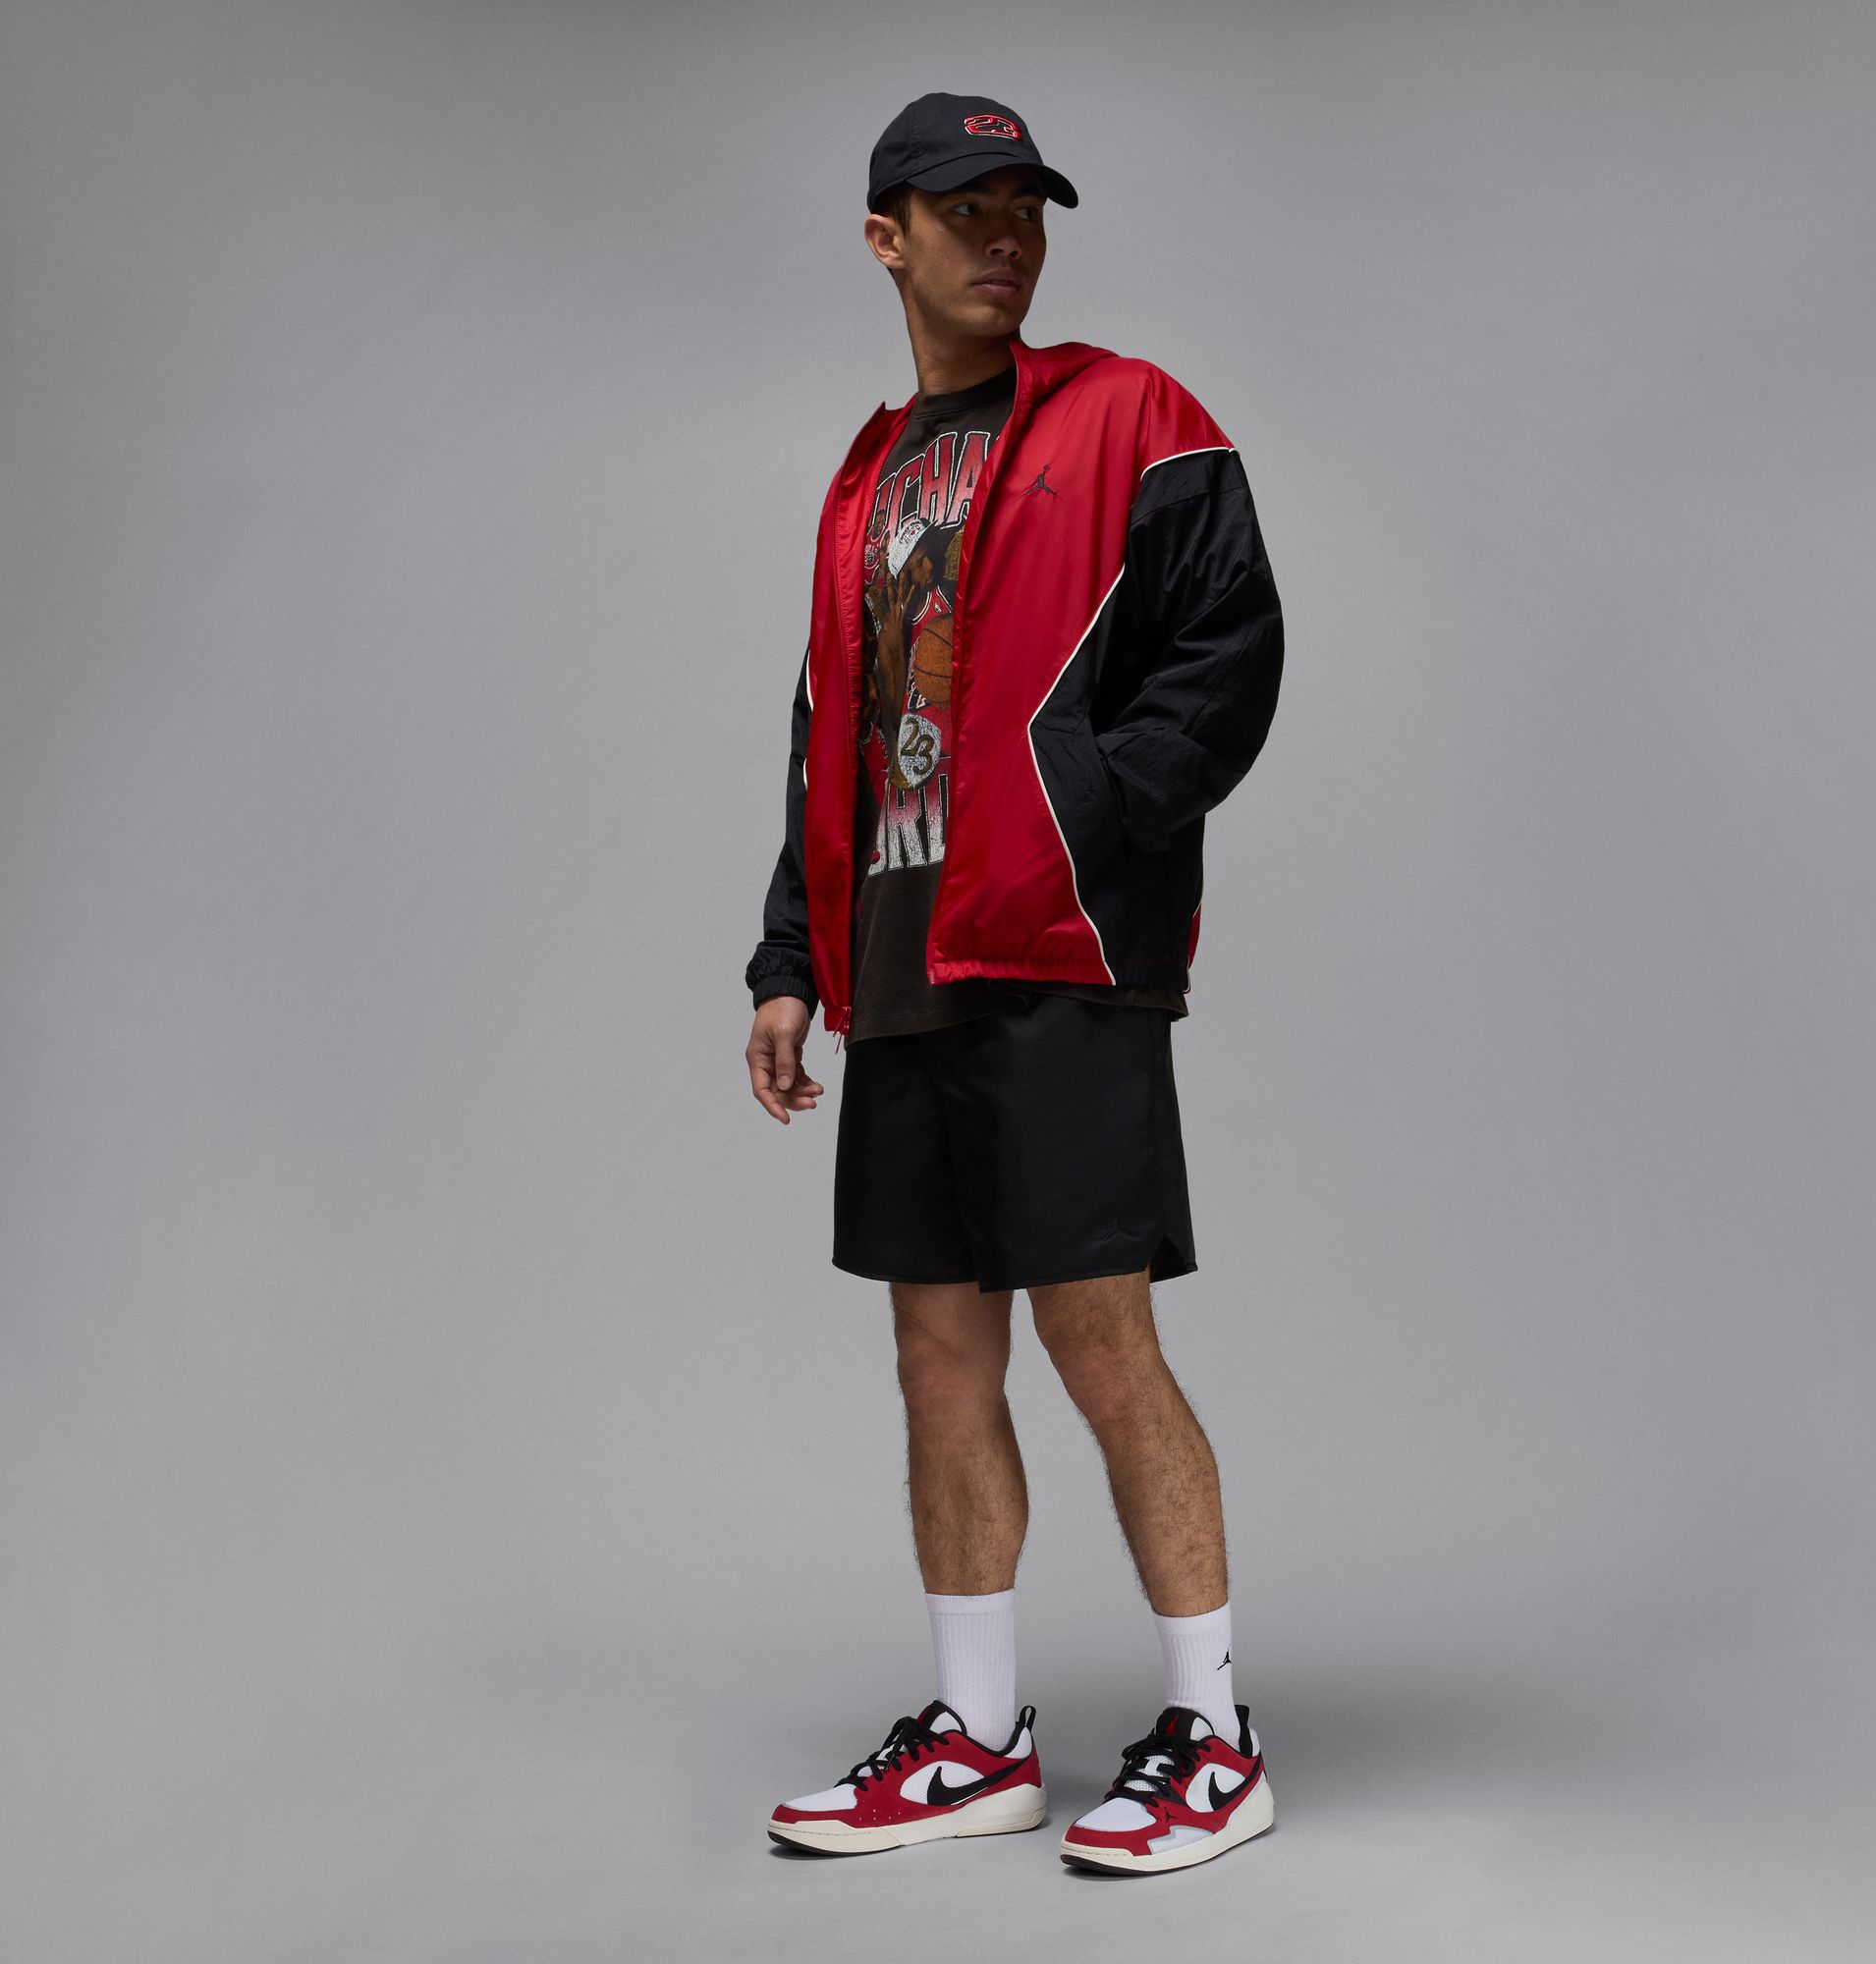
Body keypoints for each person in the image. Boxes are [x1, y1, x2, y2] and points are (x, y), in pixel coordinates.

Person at [742, 91, 1286, 1875]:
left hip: (1055, 954)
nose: (1005, 238)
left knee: (1098, 1340)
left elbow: (1230, 646)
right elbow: (832, 737)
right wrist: (792, 961)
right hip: (904, 968)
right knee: (937, 1355)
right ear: (885, 237)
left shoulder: (1131, 416)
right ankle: (979, 1736)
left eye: (1025, 209)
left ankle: (1216, 1735)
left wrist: (1089, 816)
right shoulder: (865, 477)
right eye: (965, 209)